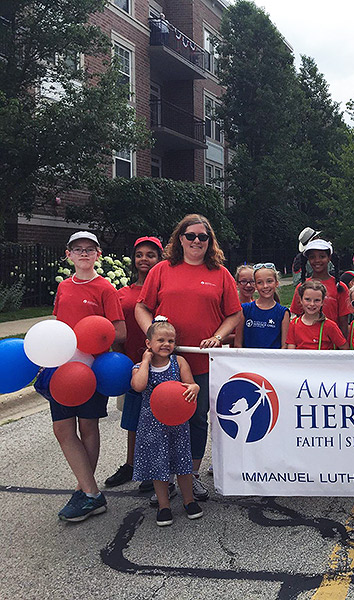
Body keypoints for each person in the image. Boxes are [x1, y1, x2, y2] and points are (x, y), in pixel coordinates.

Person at [136, 214, 242, 503]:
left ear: (210, 242)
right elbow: (142, 307)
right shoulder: (161, 270)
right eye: (191, 235)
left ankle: (190, 476)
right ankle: (163, 477)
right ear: (180, 238)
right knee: (162, 419)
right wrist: (155, 335)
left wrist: (218, 337)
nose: (197, 241)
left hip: (201, 362)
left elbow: (234, 314)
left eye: (203, 237)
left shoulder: (220, 274)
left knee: (196, 419)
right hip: (164, 363)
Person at [46, 231, 125, 522]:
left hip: (92, 369)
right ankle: (90, 492)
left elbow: (120, 331)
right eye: (77, 249)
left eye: (89, 249)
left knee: (88, 427)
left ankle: (86, 492)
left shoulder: (105, 288)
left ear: (98, 255)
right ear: (68, 255)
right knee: (63, 430)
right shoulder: (64, 288)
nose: (83, 254)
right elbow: (58, 326)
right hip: (62, 368)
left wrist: (90, 336)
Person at [130, 318, 203, 526]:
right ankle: (164, 505)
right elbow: (138, 386)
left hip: (178, 424)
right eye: (160, 340)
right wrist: (145, 361)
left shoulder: (178, 362)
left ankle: (188, 500)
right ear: (148, 344)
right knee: (158, 465)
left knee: (183, 464)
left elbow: (191, 384)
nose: (166, 344)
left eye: (170, 341)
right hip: (152, 426)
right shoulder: (139, 367)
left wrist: (195, 389)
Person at [104, 236, 163, 492]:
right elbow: (116, 331)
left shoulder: (164, 291)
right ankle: (131, 464)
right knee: (133, 419)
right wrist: (119, 359)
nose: (144, 259)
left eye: (150, 254)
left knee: (159, 419)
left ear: (159, 259)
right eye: (139, 254)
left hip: (161, 365)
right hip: (131, 364)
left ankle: (154, 468)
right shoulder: (123, 294)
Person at [290, 239, 350, 335]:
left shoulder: (339, 287)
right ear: (308, 259)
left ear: (329, 257)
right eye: (312, 257)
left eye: (322, 256)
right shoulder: (301, 287)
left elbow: (343, 322)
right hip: (306, 342)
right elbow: (297, 318)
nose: (317, 260)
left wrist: (342, 348)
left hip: (331, 343)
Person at [235, 263, 290, 349]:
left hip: (272, 361)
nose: (265, 286)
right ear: (255, 286)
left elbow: (284, 346)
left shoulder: (283, 313)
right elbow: (238, 344)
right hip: (249, 361)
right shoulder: (245, 310)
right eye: (260, 282)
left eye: (269, 281)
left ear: (276, 283)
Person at [287, 280, 347, 350]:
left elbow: (344, 348)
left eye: (317, 300)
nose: (312, 304)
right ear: (300, 300)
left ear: (322, 302)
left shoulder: (330, 326)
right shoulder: (294, 324)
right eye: (307, 299)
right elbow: (291, 351)